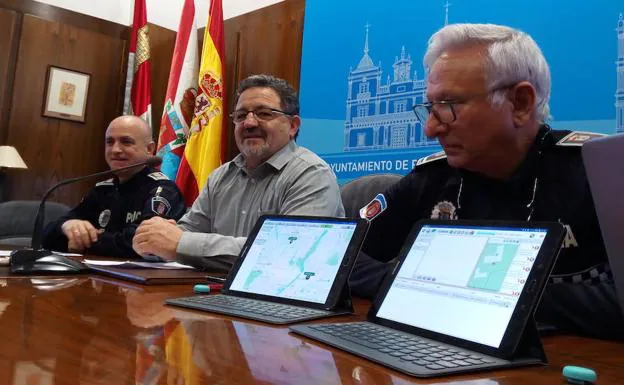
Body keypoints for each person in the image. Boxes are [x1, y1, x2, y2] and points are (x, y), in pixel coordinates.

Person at [350, 23, 623, 340]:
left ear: (520, 103)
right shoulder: (433, 178)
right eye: (430, 108)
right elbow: (345, 258)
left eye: (449, 106)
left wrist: (479, 297)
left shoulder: (595, 173)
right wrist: (422, 288)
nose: (431, 129)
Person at [133, 74, 344, 271]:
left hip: (284, 303)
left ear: (293, 126)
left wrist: (180, 243)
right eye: (241, 115)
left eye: (264, 113)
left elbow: (288, 252)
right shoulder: (221, 176)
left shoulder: (312, 175)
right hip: (212, 294)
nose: (249, 123)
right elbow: (185, 232)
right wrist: (153, 240)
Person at [42, 115, 186, 258]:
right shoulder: (102, 190)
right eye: (109, 142)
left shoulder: (163, 190)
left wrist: (84, 241)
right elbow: (46, 236)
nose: (115, 150)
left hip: (145, 278)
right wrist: (67, 226)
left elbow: (143, 243)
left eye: (126, 142)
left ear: (149, 149)